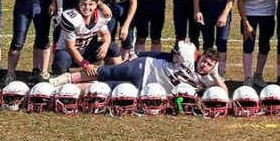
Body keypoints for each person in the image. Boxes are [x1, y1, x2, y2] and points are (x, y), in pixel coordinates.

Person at [50, 42, 226, 96]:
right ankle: (65, 79)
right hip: (144, 68)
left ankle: (65, 91)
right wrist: (140, 55)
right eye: (204, 61)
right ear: (200, 57)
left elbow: (224, 92)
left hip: (146, 87)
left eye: (209, 64)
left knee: (107, 87)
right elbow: (164, 56)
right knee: (106, 72)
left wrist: (215, 73)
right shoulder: (188, 57)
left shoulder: (209, 80)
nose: (205, 65)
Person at [230, 0, 276, 88]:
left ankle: (258, 75)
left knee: (265, 44)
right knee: (248, 44)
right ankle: (248, 77)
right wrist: (246, 23)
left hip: (268, 10)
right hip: (250, 12)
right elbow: (241, 0)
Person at [50, 0, 119, 76]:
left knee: (113, 47)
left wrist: (106, 44)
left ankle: (117, 74)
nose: (86, 7)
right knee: (61, 63)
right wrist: (85, 64)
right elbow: (70, 47)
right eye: (83, 4)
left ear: (96, 5)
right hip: (67, 52)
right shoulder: (72, 18)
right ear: (78, 4)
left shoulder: (101, 15)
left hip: (85, 50)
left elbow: (105, 34)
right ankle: (58, 77)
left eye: (90, 4)